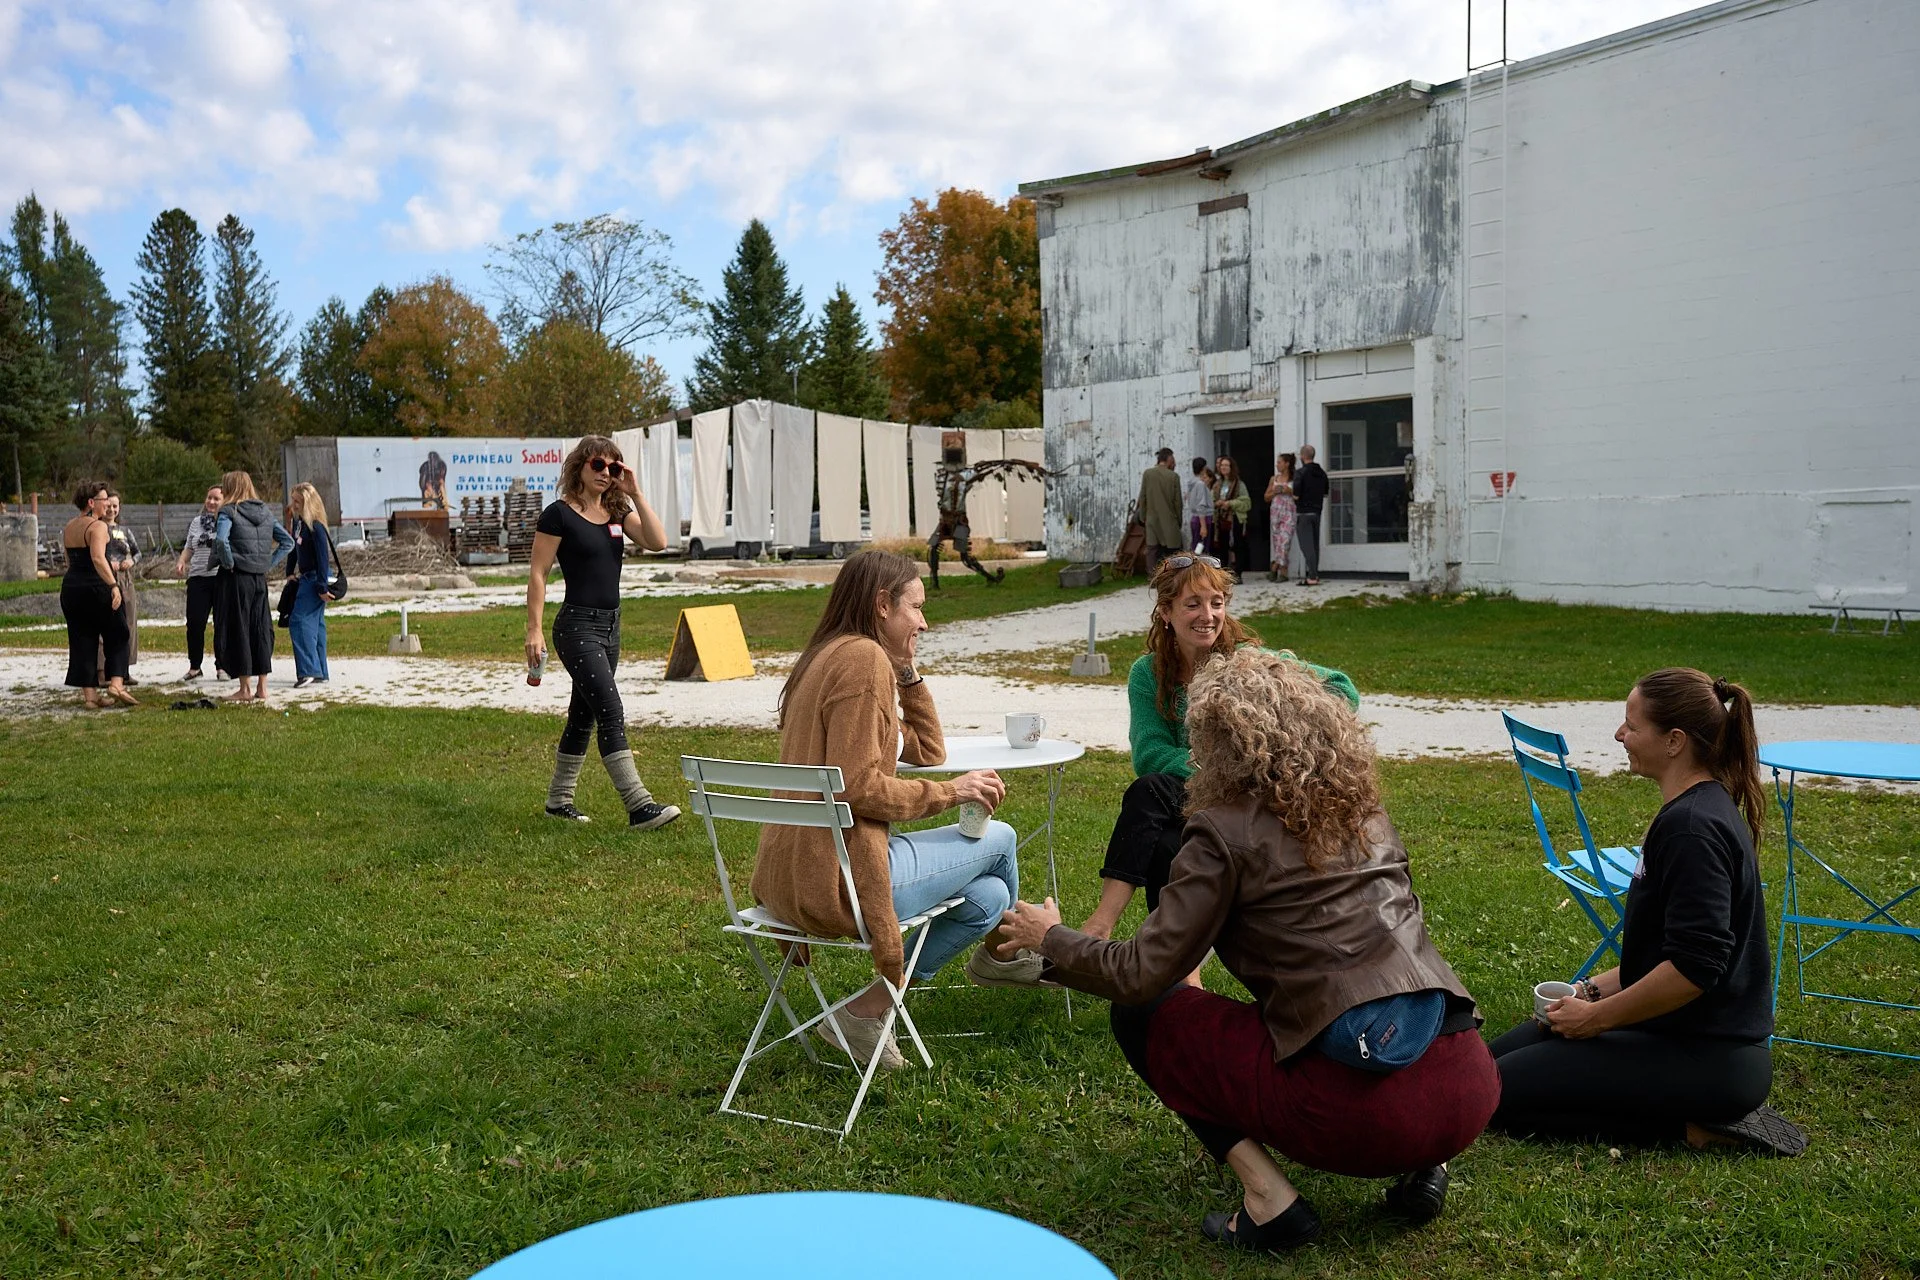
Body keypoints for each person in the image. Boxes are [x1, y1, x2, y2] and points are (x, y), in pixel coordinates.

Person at [997, 649, 1499, 1253]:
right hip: (1469, 1086)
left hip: (1365, 1120)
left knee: (1145, 1013)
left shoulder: (1222, 830)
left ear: (1218, 739)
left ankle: (1270, 1204)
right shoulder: (1365, 810)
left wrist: (1049, 938)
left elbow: (1140, 974)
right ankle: (1429, 1164)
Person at [1487, 668, 1804, 1155]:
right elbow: (1664, 955)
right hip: (1678, 1035)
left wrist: (1596, 1020)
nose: (1620, 735)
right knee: (1487, 1067)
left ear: (1674, 741)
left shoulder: (1692, 828)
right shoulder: (1690, 810)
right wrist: (1587, 991)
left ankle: (1696, 1129)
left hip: (1710, 1058)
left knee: (1492, 1096)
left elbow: (1694, 969)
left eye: (1631, 726)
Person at [750, 549, 1028, 1069]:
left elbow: (926, 752)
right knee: (1003, 839)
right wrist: (953, 792)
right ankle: (1007, 954)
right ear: (883, 604)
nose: (924, 621)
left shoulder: (829, 654)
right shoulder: (862, 661)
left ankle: (871, 1008)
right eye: (916, 608)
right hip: (836, 878)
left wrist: (909, 673)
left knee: (989, 896)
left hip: (789, 872)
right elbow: (859, 787)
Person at [1078, 554, 1358, 945]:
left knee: (1150, 791)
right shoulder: (1149, 673)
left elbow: (1343, 690)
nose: (1206, 615)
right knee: (1164, 842)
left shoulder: (1247, 662)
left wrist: (1285, 739)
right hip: (1193, 799)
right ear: (1166, 612)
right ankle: (1179, 967)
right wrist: (1213, 768)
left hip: (1247, 802)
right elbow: (1149, 755)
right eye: (1192, 604)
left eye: (1216, 602)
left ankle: (1101, 925)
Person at [526, 435, 678, 829]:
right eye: (598, 465)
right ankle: (639, 806)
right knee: (611, 711)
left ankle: (558, 803)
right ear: (579, 465)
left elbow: (658, 542)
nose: (606, 473)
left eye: (613, 468)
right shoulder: (558, 514)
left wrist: (636, 493)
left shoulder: (616, 511)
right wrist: (534, 630)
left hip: (611, 628)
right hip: (576, 627)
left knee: (583, 715)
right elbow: (539, 574)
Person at [213, 471, 293, 706]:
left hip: (237, 578)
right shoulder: (266, 512)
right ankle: (262, 687)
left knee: (240, 628)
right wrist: (267, 562)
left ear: (229, 487)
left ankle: (244, 688)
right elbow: (286, 542)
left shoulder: (228, 512)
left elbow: (220, 540)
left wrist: (228, 562)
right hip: (259, 579)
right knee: (260, 628)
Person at [60, 481, 134, 708]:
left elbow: (68, 559)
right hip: (97, 586)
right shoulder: (98, 527)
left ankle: (91, 698)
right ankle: (116, 684)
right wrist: (113, 586)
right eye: (103, 500)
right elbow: (98, 559)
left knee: (83, 639)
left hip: (71, 588)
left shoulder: (70, 526)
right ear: (91, 503)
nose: (106, 504)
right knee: (119, 632)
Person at [286, 483, 337, 688]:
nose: (294, 505)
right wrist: (289, 571)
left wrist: (322, 586)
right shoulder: (299, 524)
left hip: (316, 577)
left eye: (298, 501)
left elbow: (323, 557)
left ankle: (308, 670)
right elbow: (293, 547)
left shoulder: (316, 526)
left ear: (308, 503)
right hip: (305, 576)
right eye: (293, 500)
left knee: (298, 621)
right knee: (315, 624)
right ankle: (320, 671)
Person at [175, 485, 225, 681]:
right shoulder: (196, 522)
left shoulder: (228, 521)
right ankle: (195, 667)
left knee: (221, 623)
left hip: (221, 578)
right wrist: (181, 561)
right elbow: (189, 547)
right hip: (198, 578)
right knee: (195, 623)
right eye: (209, 498)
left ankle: (222, 666)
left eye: (216, 499)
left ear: (224, 501)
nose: (211, 502)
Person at [98, 492, 141, 682]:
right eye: (108, 505)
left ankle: (124, 669)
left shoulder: (125, 531)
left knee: (129, 623)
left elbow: (138, 553)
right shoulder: (98, 529)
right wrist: (109, 563)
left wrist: (131, 561)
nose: (111, 509)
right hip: (105, 578)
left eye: (115, 506)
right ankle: (102, 670)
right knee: (104, 625)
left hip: (126, 580)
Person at [1135, 447, 1184, 570]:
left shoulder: (1148, 474)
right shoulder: (1173, 476)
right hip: (1169, 519)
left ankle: (1153, 577)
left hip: (1151, 519)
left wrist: (1143, 517)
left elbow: (1143, 497)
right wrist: (1179, 520)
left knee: (1152, 550)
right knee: (1172, 550)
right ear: (1169, 459)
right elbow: (1177, 502)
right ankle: (1172, 576)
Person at [1293, 444, 1329, 586]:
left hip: (1303, 513)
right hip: (1317, 512)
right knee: (1314, 545)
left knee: (1306, 546)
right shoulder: (1322, 473)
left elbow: (1296, 495)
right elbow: (1325, 493)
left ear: (1302, 456)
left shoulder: (1300, 473)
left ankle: (1312, 576)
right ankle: (1315, 574)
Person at [1212, 456, 1251, 581]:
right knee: (1222, 547)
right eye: (1222, 465)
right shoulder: (1217, 484)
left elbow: (1246, 503)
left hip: (1235, 520)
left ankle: (1238, 573)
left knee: (1238, 546)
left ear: (1231, 467)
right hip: (1221, 520)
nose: (1223, 467)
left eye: (1226, 465)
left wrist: (1230, 503)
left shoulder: (1239, 484)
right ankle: (1223, 574)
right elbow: (1211, 500)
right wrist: (1217, 503)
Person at [1265, 452, 1297, 582]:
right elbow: (1266, 497)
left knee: (1285, 541)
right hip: (1275, 513)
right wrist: (1275, 491)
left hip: (1289, 512)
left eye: (1279, 462)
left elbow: (1299, 495)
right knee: (1277, 542)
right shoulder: (1274, 479)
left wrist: (1289, 491)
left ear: (1287, 464)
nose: (1277, 465)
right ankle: (1283, 572)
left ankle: (1274, 567)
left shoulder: (1294, 478)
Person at [1183, 457, 1214, 553]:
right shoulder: (1200, 484)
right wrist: (1203, 526)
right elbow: (1201, 505)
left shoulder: (1192, 483)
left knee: (1197, 548)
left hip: (1195, 518)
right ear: (1203, 468)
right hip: (1203, 519)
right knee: (1201, 549)